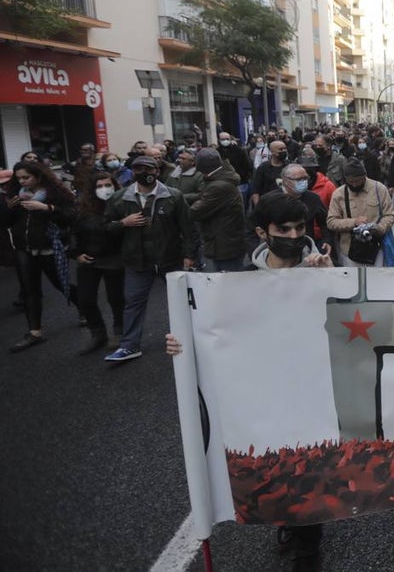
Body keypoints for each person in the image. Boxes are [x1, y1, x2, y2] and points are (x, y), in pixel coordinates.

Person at [165, 192, 330, 570]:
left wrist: (326, 280)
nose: (293, 235)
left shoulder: (323, 270)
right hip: (262, 394)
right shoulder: (236, 283)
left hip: (311, 389)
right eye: (283, 228)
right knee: (275, 466)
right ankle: (289, 522)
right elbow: (216, 331)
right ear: (262, 232)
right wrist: (181, 342)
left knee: (307, 466)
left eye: (300, 228)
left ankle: (309, 546)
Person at [103, 156, 196, 363]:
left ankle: (190, 339)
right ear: (133, 172)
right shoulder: (120, 198)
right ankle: (129, 346)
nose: (144, 173)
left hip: (169, 259)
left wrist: (190, 255)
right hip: (137, 261)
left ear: (157, 170)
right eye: (138, 169)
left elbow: (188, 228)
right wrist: (123, 223)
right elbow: (105, 229)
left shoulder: (173, 196)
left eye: (149, 169)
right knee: (133, 303)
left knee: (181, 301)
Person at [3, 161, 78, 351]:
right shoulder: (15, 195)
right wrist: (9, 209)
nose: (22, 182)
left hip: (49, 247)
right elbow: (5, 223)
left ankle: (87, 310)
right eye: (18, 178)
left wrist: (47, 208)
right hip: (24, 248)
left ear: (38, 176)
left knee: (60, 283)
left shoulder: (55, 193)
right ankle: (34, 332)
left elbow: (71, 215)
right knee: (30, 290)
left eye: (26, 177)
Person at [71, 171, 125, 353]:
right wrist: (76, 253)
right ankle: (97, 333)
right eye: (99, 186)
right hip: (89, 258)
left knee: (116, 298)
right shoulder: (83, 207)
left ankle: (120, 331)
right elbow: (73, 232)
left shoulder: (122, 203)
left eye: (107, 185)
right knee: (85, 299)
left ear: (115, 185)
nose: (104, 190)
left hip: (114, 257)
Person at [326, 158, 394, 267]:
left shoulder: (379, 189)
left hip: (375, 248)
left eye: (358, 181)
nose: (354, 185)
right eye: (350, 181)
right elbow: (331, 222)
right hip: (349, 250)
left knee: (376, 281)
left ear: (364, 176)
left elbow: (389, 215)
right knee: (352, 283)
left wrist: (379, 228)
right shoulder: (339, 194)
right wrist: (354, 222)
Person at [187, 148, 247, 273]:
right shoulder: (220, 179)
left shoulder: (218, 186)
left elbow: (196, 211)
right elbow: (204, 197)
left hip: (224, 243)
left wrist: (180, 201)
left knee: (229, 283)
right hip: (225, 239)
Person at [270, 162, 330, 252]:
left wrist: (327, 241)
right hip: (279, 251)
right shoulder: (271, 200)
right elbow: (253, 227)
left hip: (306, 250)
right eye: (299, 179)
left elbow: (325, 222)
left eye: (305, 178)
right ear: (285, 181)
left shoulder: (313, 198)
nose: (303, 182)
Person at [216, 132, 253, 206]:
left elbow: (247, 165)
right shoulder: (216, 152)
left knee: (242, 204)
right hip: (223, 183)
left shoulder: (239, 151)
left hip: (241, 182)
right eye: (223, 139)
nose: (225, 141)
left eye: (227, 139)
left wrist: (241, 176)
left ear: (230, 139)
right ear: (219, 140)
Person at [250, 140, 290, 206]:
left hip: (286, 203)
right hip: (268, 204)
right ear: (272, 152)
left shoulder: (290, 166)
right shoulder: (263, 168)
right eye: (281, 149)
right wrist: (258, 207)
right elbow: (256, 190)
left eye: (285, 148)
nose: (284, 151)